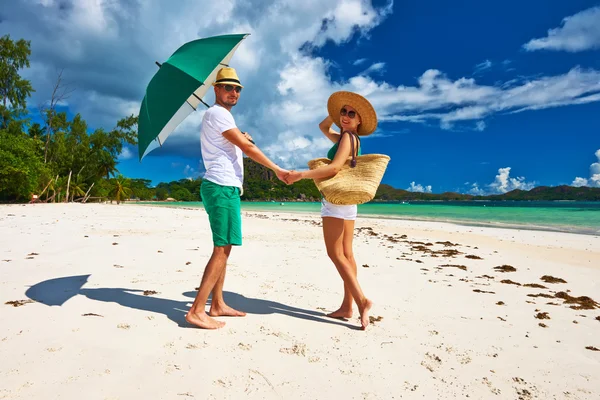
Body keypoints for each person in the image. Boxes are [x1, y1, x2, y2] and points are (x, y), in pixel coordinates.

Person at [185, 67, 289, 330]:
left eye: (237, 88)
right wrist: (278, 170)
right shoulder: (217, 113)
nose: (233, 92)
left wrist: (240, 137)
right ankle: (197, 310)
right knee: (221, 248)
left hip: (226, 187)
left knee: (226, 246)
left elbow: (237, 143)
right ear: (216, 89)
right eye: (228, 87)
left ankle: (217, 303)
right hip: (220, 186)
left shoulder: (221, 117)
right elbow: (247, 148)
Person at [285, 91, 377, 330]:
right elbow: (323, 127)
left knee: (335, 254)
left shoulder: (347, 138)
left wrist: (301, 175)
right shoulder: (350, 138)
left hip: (335, 201)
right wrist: (336, 112)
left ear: (359, 121)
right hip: (349, 203)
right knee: (347, 254)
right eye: (343, 112)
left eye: (351, 113)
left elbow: (334, 169)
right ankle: (347, 306)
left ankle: (361, 300)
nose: (345, 117)